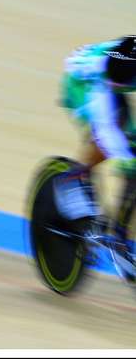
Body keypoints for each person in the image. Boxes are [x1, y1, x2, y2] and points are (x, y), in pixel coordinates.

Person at [57, 35, 136, 276]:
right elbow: (114, 140)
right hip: (83, 83)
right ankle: (73, 178)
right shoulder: (103, 90)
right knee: (118, 150)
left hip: (113, 76)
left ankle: (119, 232)